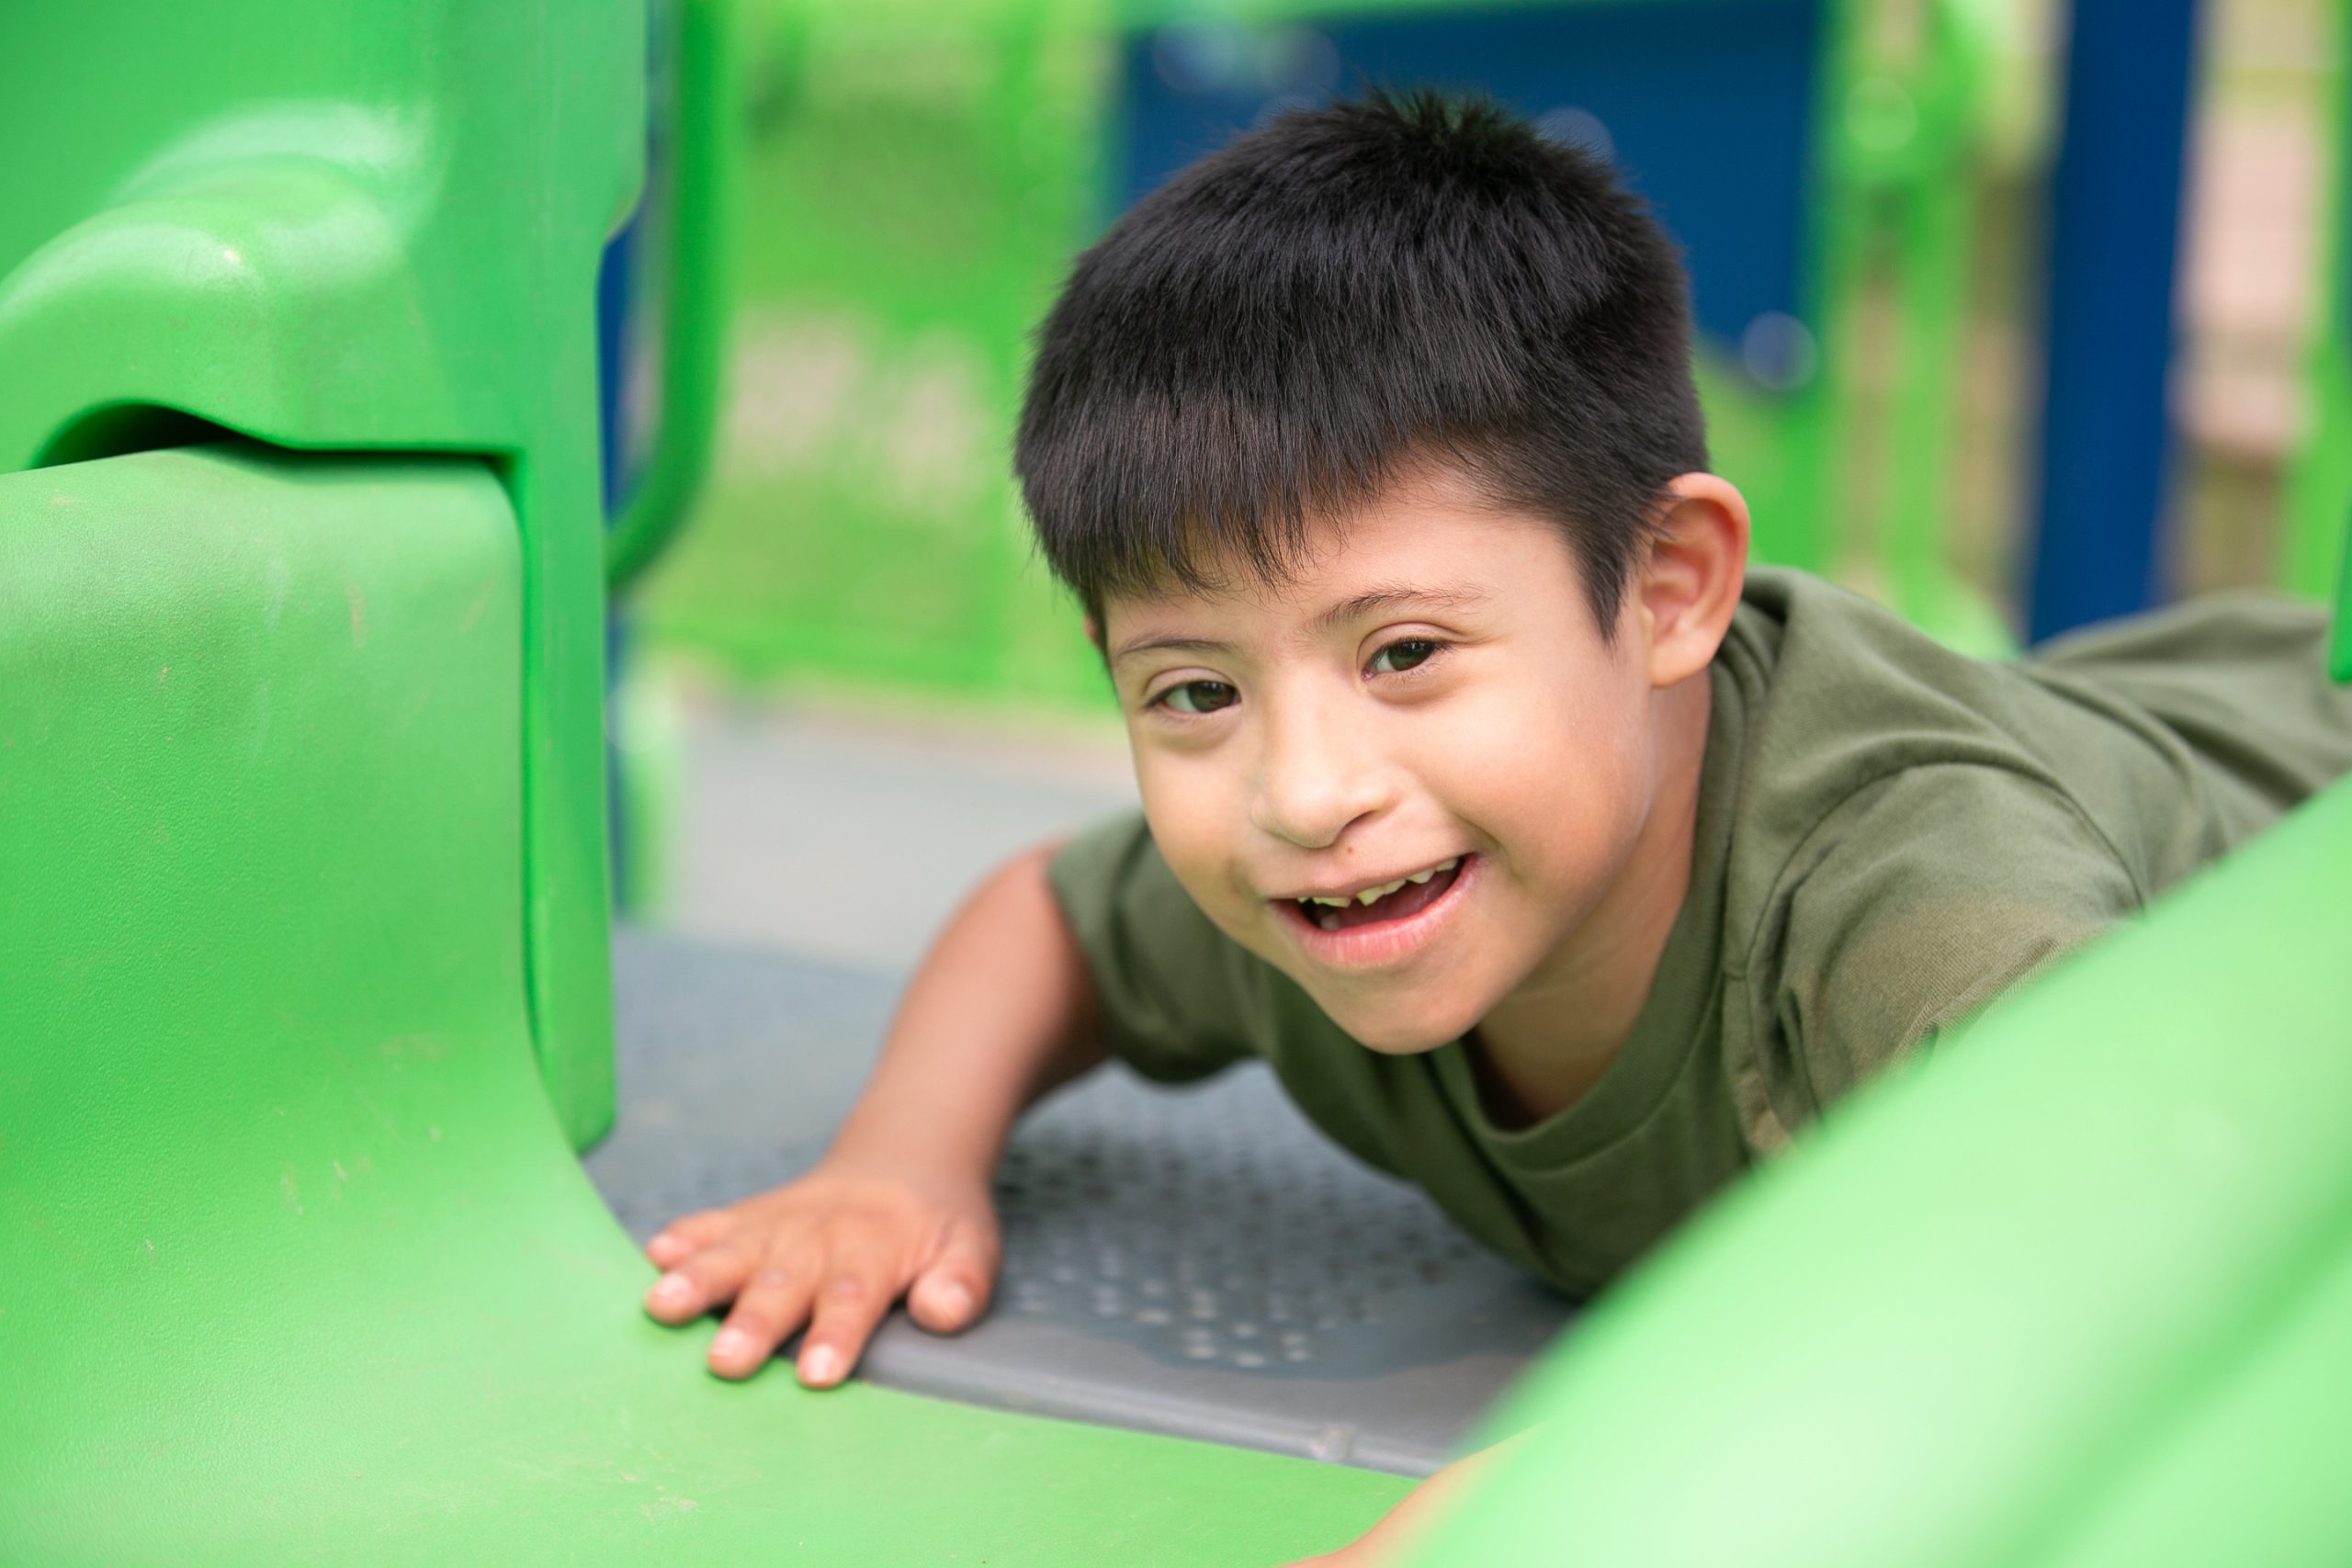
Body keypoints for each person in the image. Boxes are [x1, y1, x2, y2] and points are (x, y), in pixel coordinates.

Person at [639, 88, 2352, 1562]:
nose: (1305, 789)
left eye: (1404, 655)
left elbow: (2052, 1252)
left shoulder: (1910, 882)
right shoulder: (1334, 870)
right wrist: (899, 1163)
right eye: (1195, 691)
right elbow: (1050, 919)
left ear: (1668, 589)